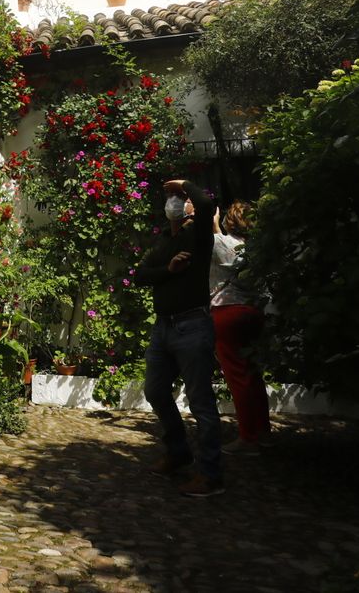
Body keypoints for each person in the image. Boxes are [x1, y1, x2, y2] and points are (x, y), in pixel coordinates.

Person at [133, 178, 225, 497]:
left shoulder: (198, 235)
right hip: (163, 328)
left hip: (193, 325)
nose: (173, 200)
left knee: (200, 402)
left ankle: (211, 474)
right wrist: (168, 271)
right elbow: (140, 275)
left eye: (179, 197)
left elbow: (207, 204)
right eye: (170, 196)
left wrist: (185, 184)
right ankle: (178, 451)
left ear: (189, 205)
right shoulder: (163, 241)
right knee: (155, 391)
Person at [211, 201, 271, 453]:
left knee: (237, 376)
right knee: (253, 374)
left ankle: (248, 437)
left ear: (230, 221)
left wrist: (213, 224)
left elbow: (218, 247)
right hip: (253, 312)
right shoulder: (257, 250)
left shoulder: (219, 243)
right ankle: (262, 431)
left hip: (227, 312)